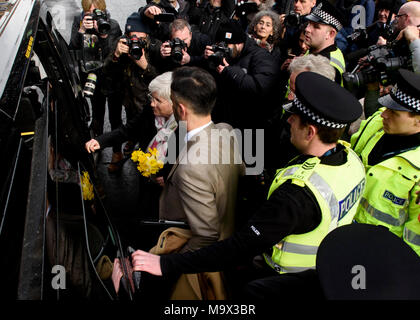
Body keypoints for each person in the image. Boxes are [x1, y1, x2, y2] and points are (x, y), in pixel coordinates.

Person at [129, 71, 366, 300]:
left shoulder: (296, 196)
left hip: (282, 282)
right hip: (321, 273)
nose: (289, 119)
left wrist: (165, 263)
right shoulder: (350, 159)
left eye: (295, 118)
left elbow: (239, 246)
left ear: (311, 132)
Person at [352, 68, 420, 257]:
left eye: (394, 112)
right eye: (387, 107)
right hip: (341, 236)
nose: (384, 114)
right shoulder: (377, 124)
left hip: (377, 256)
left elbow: (415, 242)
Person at [84, 72, 177, 186]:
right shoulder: (150, 111)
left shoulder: (183, 126)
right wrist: (100, 141)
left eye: (158, 100)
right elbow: (128, 130)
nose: (152, 103)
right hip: (146, 177)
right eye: (151, 98)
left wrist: (169, 175)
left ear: (173, 102)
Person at [101, 12, 162, 168]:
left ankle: (138, 149)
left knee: (140, 126)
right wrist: (116, 55)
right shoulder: (120, 44)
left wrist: (145, 66)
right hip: (120, 92)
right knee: (117, 122)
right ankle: (116, 153)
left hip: (142, 98)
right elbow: (106, 71)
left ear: (147, 36)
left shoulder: (156, 48)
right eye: (132, 37)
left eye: (140, 39)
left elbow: (163, 81)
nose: (136, 42)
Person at [69, 0, 124, 172]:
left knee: (115, 118)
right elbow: (73, 49)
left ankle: (117, 152)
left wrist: (103, 35)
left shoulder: (112, 25)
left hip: (112, 78)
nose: (92, 15)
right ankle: (96, 147)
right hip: (93, 78)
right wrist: (82, 31)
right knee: (97, 116)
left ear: (103, 10)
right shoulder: (80, 23)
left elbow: (115, 54)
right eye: (88, 12)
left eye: (96, 11)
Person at [204, 19, 279, 130]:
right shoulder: (227, 55)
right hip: (224, 119)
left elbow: (261, 87)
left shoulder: (261, 57)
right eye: (219, 45)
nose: (223, 50)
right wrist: (209, 60)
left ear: (239, 43)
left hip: (251, 125)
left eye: (226, 46)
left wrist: (230, 72)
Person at [303, 1, 347, 85]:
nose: (307, 29)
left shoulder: (328, 66)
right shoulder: (316, 49)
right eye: (309, 23)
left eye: (316, 27)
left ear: (331, 34)